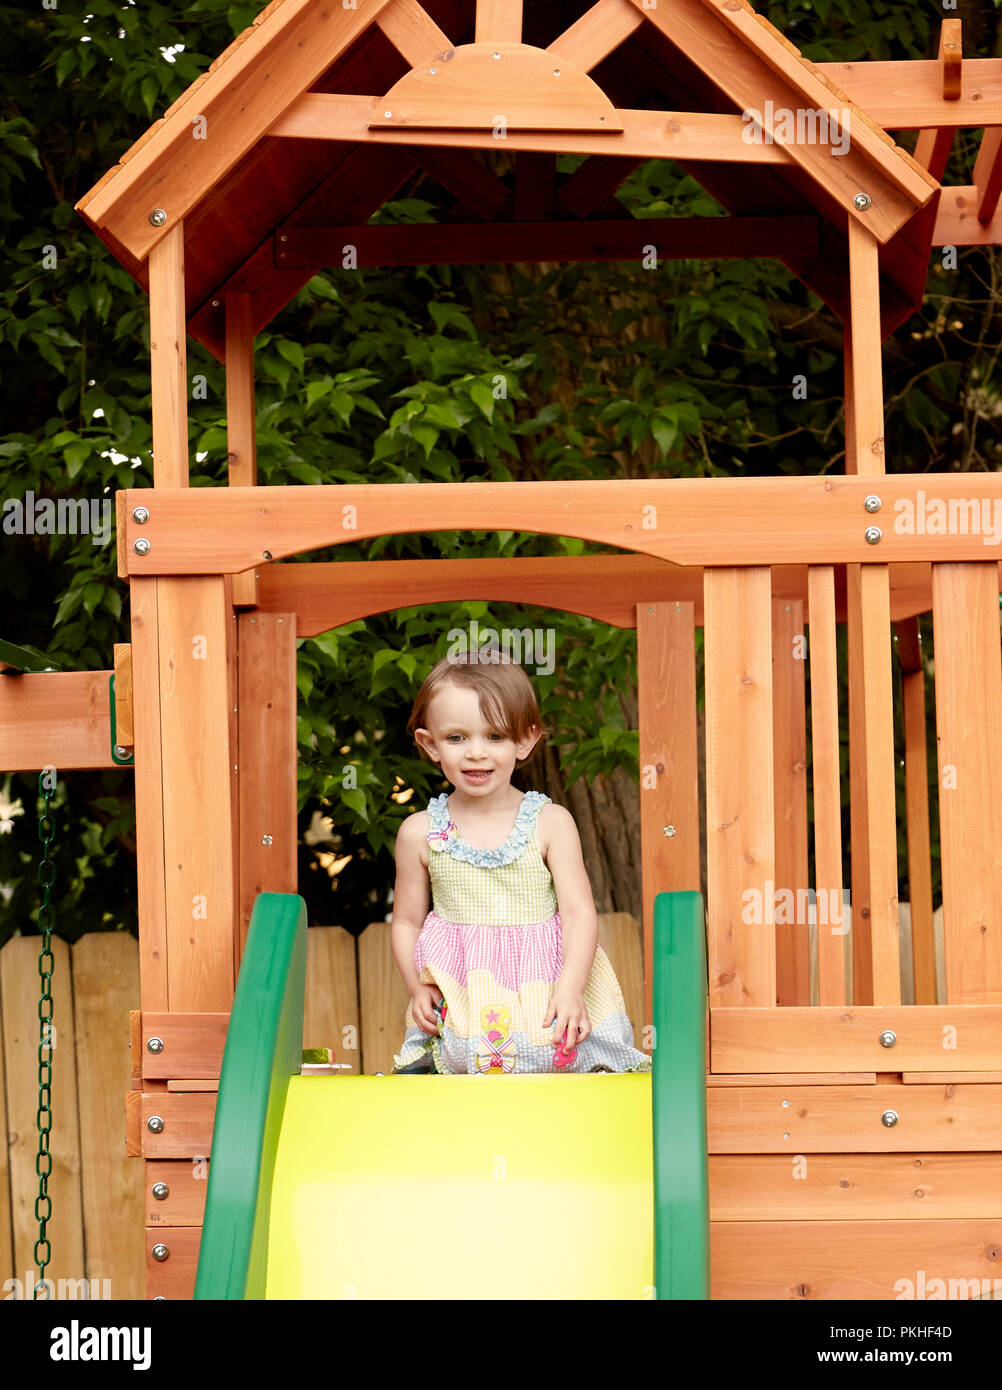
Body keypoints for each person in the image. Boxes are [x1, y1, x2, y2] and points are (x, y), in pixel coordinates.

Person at [389, 648, 651, 1076]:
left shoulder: (550, 823)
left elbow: (579, 913)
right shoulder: (419, 833)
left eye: (495, 737)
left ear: (525, 740)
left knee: (563, 1061)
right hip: (466, 990)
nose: (476, 753)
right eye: (457, 738)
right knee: (456, 1075)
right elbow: (406, 922)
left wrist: (571, 989)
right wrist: (415, 986)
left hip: (545, 982)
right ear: (430, 744)